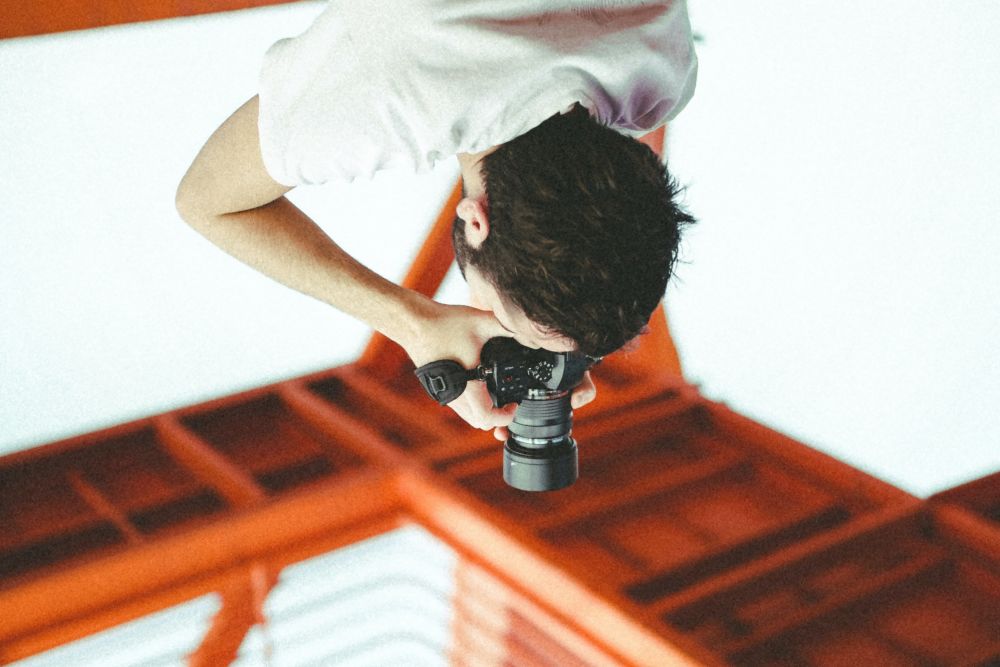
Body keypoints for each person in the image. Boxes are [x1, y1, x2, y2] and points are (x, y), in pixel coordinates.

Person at [175, 1, 698, 442]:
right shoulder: (394, 92)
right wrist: (413, 323)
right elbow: (207, 201)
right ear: (476, 221)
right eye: (495, 311)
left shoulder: (661, 67)